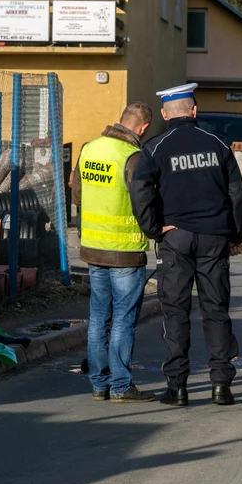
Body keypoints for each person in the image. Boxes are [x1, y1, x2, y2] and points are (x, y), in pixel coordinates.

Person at [130, 83, 242, 407]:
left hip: (175, 238)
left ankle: (177, 388)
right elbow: (237, 193)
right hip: (214, 239)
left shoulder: (155, 147)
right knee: (216, 311)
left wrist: (154, 229)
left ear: (166, 114)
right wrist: (234, 236)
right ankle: (221, 386)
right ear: (195, 112)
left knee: (176, 312)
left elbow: (140, 191)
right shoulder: (218, 144)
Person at [71, 103, 158, 403]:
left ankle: (99, 384)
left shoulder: (89, 149)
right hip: (124, 252)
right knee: (123, 319)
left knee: (98, 318)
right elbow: (144, 202)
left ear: (121, 120)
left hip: (94, 250)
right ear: (143, 127)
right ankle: (121, 386)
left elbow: (78, 195)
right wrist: (157, 231)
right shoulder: (133, 157)